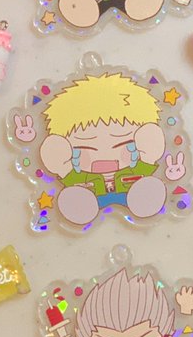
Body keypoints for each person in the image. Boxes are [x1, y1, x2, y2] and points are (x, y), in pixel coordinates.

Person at [40, 72, 184, 225]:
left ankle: (144, 201)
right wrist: (61, 164)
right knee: (73, 197)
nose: (104, 156)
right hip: (89, 198)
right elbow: (66, 172)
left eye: (121, 143)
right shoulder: (78, 175)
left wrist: (149, 153)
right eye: (86, 146)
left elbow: (147, 161)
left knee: (147, 187)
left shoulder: (136, 168)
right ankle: (80, 206)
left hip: (134, 193)